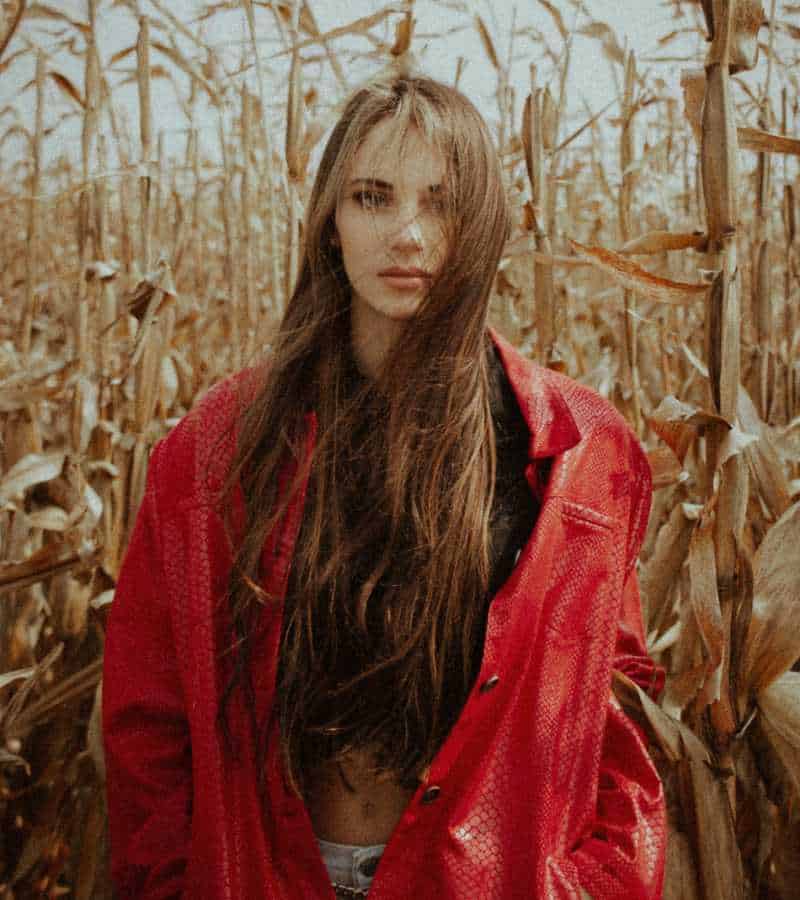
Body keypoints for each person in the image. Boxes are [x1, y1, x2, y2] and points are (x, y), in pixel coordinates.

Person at [102, 73, 666, 899]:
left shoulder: (580, 452)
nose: (407, 233)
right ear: (330, 223)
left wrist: (596, 885)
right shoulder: (216, 450)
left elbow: (617, 716)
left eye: (440, 203)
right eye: (373, 197)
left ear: (479, 225)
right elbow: (147, 721)